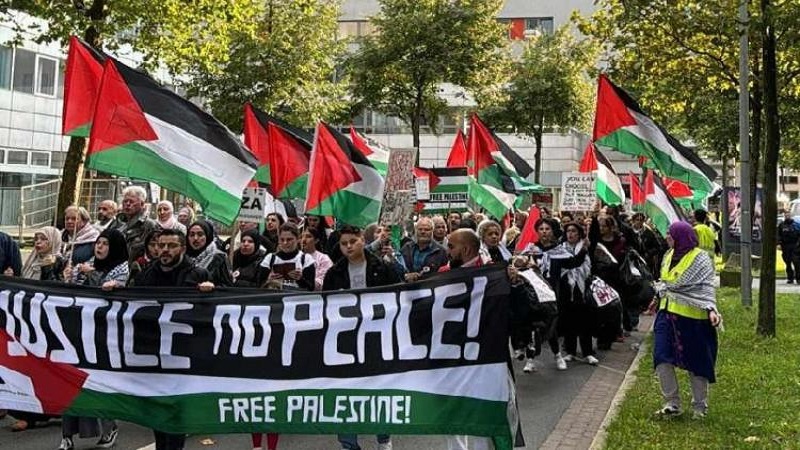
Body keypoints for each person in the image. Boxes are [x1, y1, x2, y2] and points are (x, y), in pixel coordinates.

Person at [134, 229, 213, 450]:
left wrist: (210, 292)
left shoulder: (198, 274)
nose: (165, 250)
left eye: (171, 246)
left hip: (183, 353)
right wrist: (113, 291)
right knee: (158, 409)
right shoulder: (147, 274)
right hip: (154, 351)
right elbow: (131, 300)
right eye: (161, 245)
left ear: (183, 249)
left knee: (177, 409)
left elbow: (217, 309)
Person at [323, 225, 400, 450]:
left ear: (362, 241)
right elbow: (323, 305)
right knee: (344, 391)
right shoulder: (334, 273)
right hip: (345, 342)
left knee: (379, 389)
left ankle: (383, 438)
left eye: (353, 242)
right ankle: (348, 443)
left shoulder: (382, 267)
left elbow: (398, 295)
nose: (348, 247)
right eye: (343, 243)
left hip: (377, 338)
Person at [653, 221, 721, 419]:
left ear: (681, 236)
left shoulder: (700, 258)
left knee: (696, 362)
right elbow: (666, 283)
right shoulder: (668, 255)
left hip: (693, 319)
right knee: (661, 356)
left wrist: (711, 309)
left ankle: (700, 405)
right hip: (666, 314)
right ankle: (671, 403)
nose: (667, 237)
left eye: (670, 233)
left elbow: (706, 287)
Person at [554, 223, 597, 365]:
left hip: (581, 288)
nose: (570, 234)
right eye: (568, 231)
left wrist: (585, 250)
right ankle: (570, 351)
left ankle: (588, 352)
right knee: (568, 321)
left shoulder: (585, 247)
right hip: (566, 289)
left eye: (573, 231)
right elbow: (566, 265)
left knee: (584, 321)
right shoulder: (561, 249)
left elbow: (587, 267)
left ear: (579, 234)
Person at [259, 223, 315, 291]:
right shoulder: (269, 258)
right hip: (275, 295)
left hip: (297, 295)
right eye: (282, 239)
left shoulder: (306, 259)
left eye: (289, 239)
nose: (285, 243)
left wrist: (300, 279)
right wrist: (268, 280)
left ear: (298, 239)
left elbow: (311, 288)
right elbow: (259, 286)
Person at [400, 217, 448, 282]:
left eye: (427, 229)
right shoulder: (406, 248)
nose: (423, 232)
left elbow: (444, 275)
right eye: (420, 229)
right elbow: (399, 269)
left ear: (432, 231)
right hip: (407, 286)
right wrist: (406, 275)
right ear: (416, 231)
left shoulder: (441, 252)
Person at [186, 221, 233, 287]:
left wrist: (212, 287)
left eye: (200, 235)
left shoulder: (219, 257)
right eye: (192, 235)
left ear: (208, 236)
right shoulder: (183, 256)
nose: (195, 238)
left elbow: (227, 285)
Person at [118, 186, 158, 262]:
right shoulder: (119, 223)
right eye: (125, 201)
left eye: (131, 201)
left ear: (142, 204)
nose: (128, 204)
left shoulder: (149, 225)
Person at [777, 210, 800, 284]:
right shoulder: (781, 225)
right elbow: (779, 235)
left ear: (791, 215)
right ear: (784, 216)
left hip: (795, 246)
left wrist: (798, 245)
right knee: (788, 262)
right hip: (785, 246)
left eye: (788, 215)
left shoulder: (796, 224)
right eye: (786, 215)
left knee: (796, 262)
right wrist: (779, 243)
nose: (787, 216)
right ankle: (790, 278)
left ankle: (798, 278)